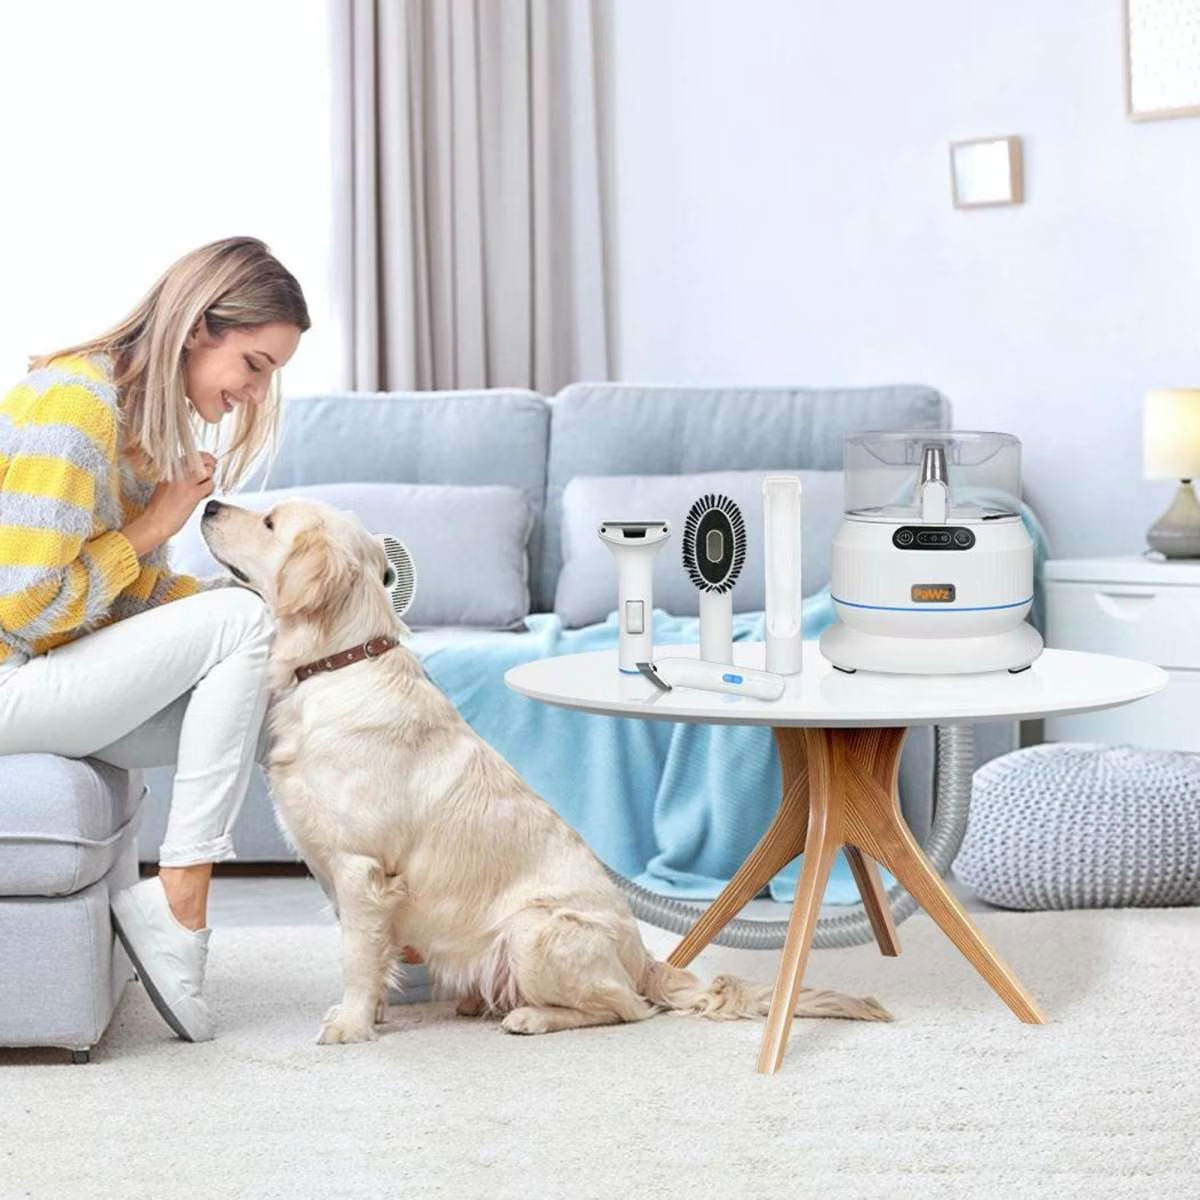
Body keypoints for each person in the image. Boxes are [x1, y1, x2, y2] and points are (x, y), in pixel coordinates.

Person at [0, 236, 309, 1042]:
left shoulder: (140, 432)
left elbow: (128, 605)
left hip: (47, 677)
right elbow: (24, 607)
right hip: (9, 675)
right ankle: (180, 903)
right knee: (243, 623)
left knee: (287, 698)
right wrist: (158, 524)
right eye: (254, 364)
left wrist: (283, 614)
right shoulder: (77, 406)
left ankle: (400, 926)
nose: (254, 391)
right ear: (199, 327)